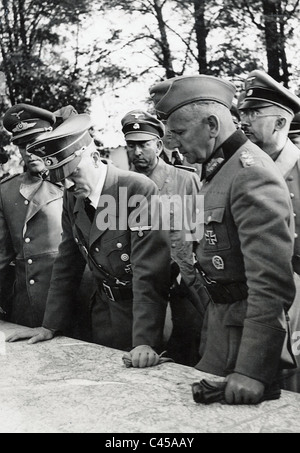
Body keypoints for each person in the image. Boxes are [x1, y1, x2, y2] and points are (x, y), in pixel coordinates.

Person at [149, 74, 296, 404]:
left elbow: (270, 282)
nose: (172, 143)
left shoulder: (250, 174)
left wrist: (252, 370)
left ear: (212, 125)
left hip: (246, 345)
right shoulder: (218, 168)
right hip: (220, 329)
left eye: (180, 132)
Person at [6, 113, 171, 368]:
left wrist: (145, 340)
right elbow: (67, 263)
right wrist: (49, 325)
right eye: (60, 178)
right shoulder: (74, 197)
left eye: (73, 174)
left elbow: (148, 272)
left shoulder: (136, 189)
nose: (68, 184)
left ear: (94, 157)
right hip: (104, 317)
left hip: (143, 320)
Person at [121, 109, 202, 366]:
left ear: (158, 145)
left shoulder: (186, 180)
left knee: (187, 352)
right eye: (131, 146)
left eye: (143, 145)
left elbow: (199, 231)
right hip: (141, 287)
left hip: (184, 286)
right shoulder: (122, 185)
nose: (137, 153)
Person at [238, 69, 300, 392]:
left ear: (280, 123)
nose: (243, 120)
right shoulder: (238, 170)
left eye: (253, 112)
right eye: (242, 112)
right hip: (253, 295)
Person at [0, 104, 65, 327]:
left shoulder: (73, 183)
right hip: (26, 304)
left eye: (35, 142)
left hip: (71, 300)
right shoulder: (6, 190)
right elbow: (2, 255)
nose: (29, 151)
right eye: (22, 145)